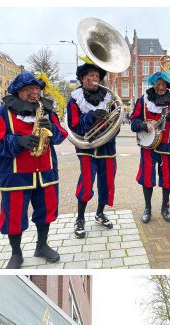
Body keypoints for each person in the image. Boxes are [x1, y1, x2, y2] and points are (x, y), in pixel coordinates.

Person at [0, 72, 68, 268]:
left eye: (37, 88)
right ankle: (16, 253)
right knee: (14, 216)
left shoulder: (47, 110)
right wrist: (17, 141)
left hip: (45, 172)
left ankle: (41, 245)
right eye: (29, 89)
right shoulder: (3, 113)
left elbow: (60, 136)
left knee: (46, 211)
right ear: (18, 91)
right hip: (15, 176)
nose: (34, 93)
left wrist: (53, 130)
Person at [67, 60, 117, 238]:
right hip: (87, 147)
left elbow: (116, 120)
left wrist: (110, 126)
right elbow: (73, 125)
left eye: (97, 76)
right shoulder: (75, 99)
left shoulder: (108, 97)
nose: (95, 79)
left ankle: (100, 213)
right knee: (87, 182)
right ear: (82, 78)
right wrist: (91, 116)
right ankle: (80, 218)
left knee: (107, 183)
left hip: (107, 147)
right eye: (91, 76)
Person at [131, 70, 170, 223]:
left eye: (163, 84)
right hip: (148, 147)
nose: (161, 87)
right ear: (153, 84)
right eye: (158, 84)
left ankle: (165, 207)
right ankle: (147, 208)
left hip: (168, 146)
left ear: (167, 85)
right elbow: (133, 121)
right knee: (147, 177)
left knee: (167, 178)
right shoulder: (143, 100)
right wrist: (142, 125)